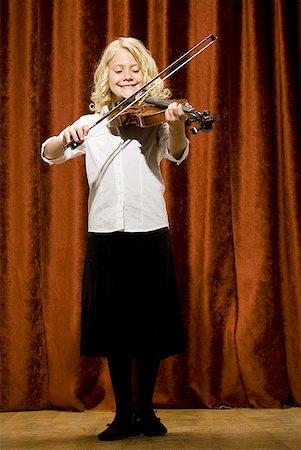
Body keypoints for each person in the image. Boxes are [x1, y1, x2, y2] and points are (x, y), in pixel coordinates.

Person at [41, 37, 189, 441]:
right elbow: (51, 153)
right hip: (106, 236)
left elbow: (177, 152)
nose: (127, 76)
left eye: (135, 68)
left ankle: (146, 410)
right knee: (116, 330)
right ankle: (123, 413)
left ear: (147, 73)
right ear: (106, 76)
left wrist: (176, 121)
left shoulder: (156, 118)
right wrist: (66, 133)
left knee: (149, 328)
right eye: (118, 69)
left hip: (149, 233)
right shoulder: (93, 124)